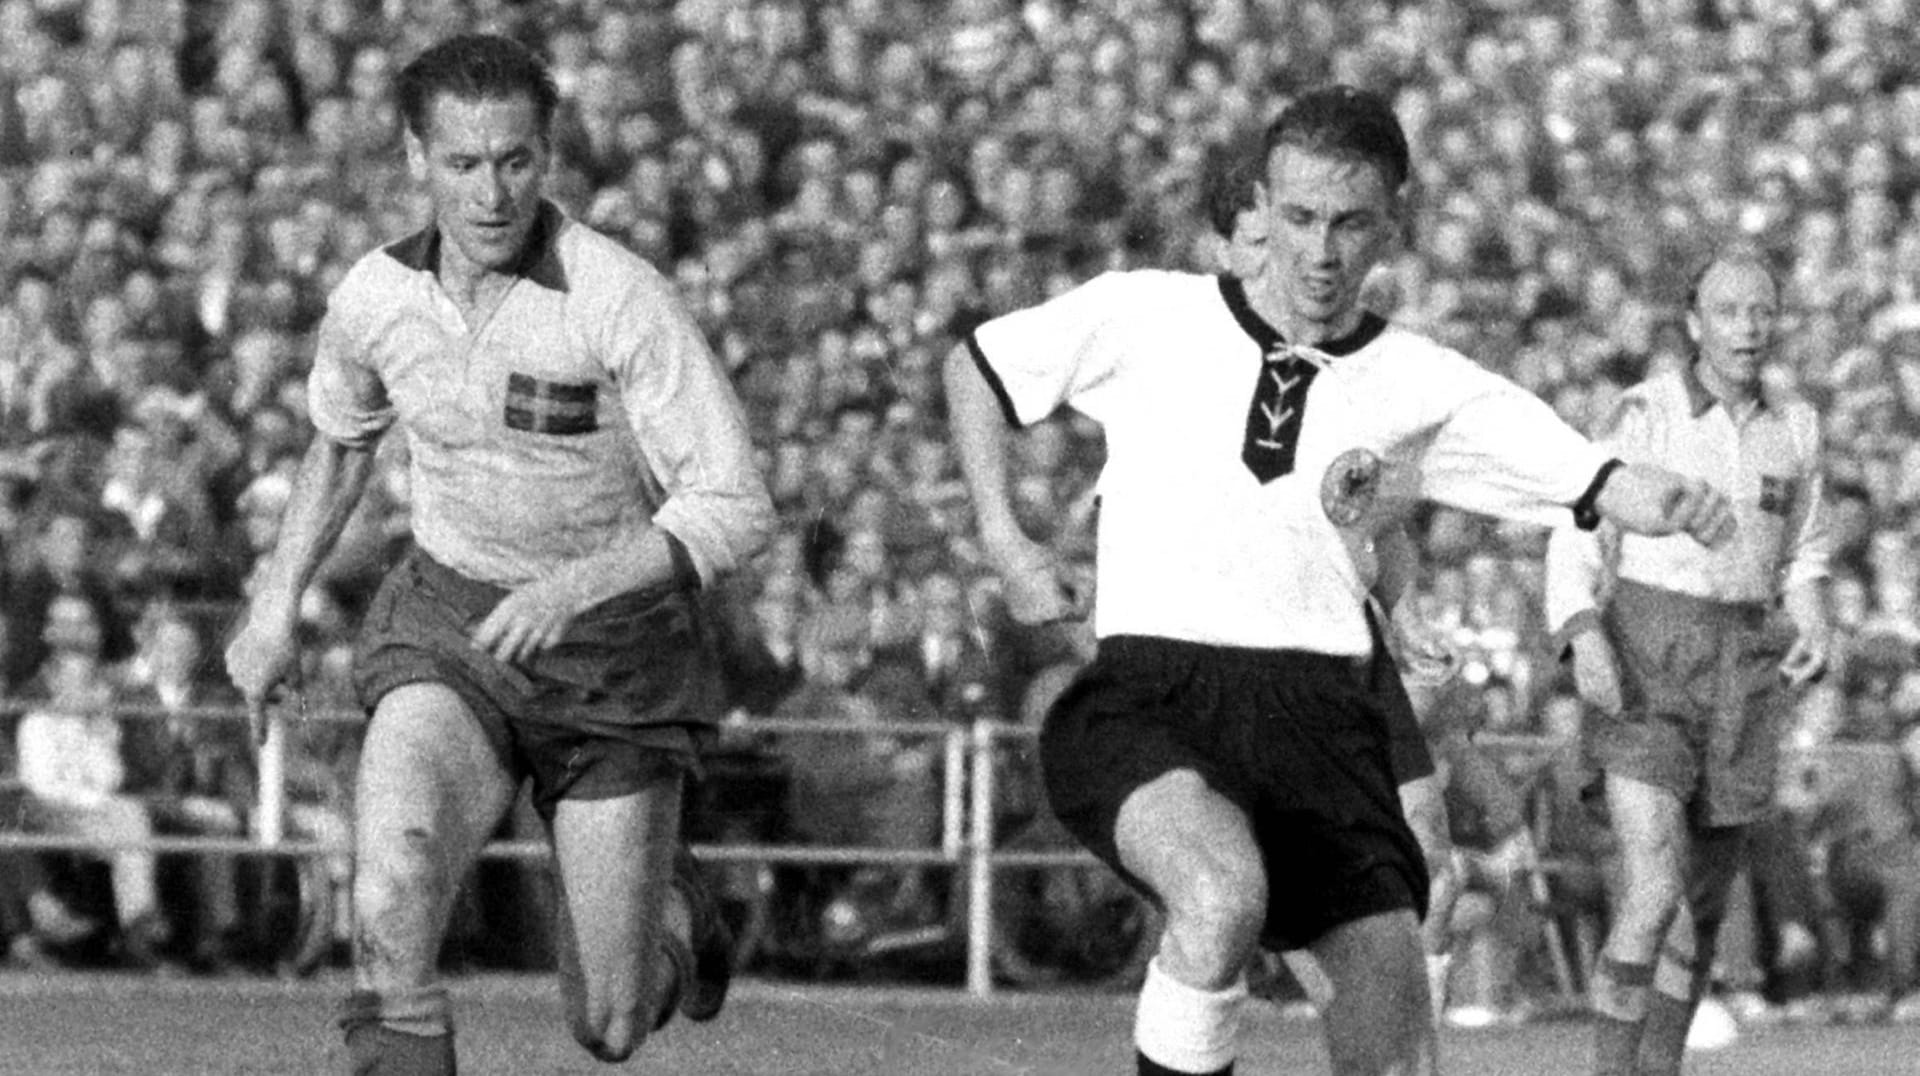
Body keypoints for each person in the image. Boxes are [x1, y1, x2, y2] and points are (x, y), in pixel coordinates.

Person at [944, 85, 1737, 1076]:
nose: (1321, 251)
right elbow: (976, 367)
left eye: (1350, 223)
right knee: (1220, 896)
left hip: (1326, 719)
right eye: (1301, 217)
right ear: (1261, 212)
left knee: (1398, 1053)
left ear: (1389, 227)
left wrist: (1639, 489)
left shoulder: (1421, 378)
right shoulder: (1145, 313)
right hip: (1156, 693)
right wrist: (1007, 541)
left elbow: (1570, 467)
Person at [223, 34, 774, 1075]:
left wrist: (577, 584)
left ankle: (673, 909)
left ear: (549, 154)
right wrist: (270, 605)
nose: (491, 192)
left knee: (609, 1023)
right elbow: (340, 445)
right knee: (389, 887)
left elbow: (738, 504)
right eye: (464, 163)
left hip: (612, 651)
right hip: (452, 624)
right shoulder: (375, 297)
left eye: (515, 160)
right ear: (414, 158)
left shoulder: (618, 296)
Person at [1543, 249, 1832, 1076]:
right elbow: (1577, 522)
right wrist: (1583, 631)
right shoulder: (1646, 414)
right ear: (1695, 323)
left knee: (1702, 908)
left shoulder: (1795, 426)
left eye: (1761, 311)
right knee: (1655, 882)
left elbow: (1803, 548)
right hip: (1648, 649)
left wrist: (1812, 612)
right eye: (1728, 311)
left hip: (1743, 660)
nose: (1747, 326)